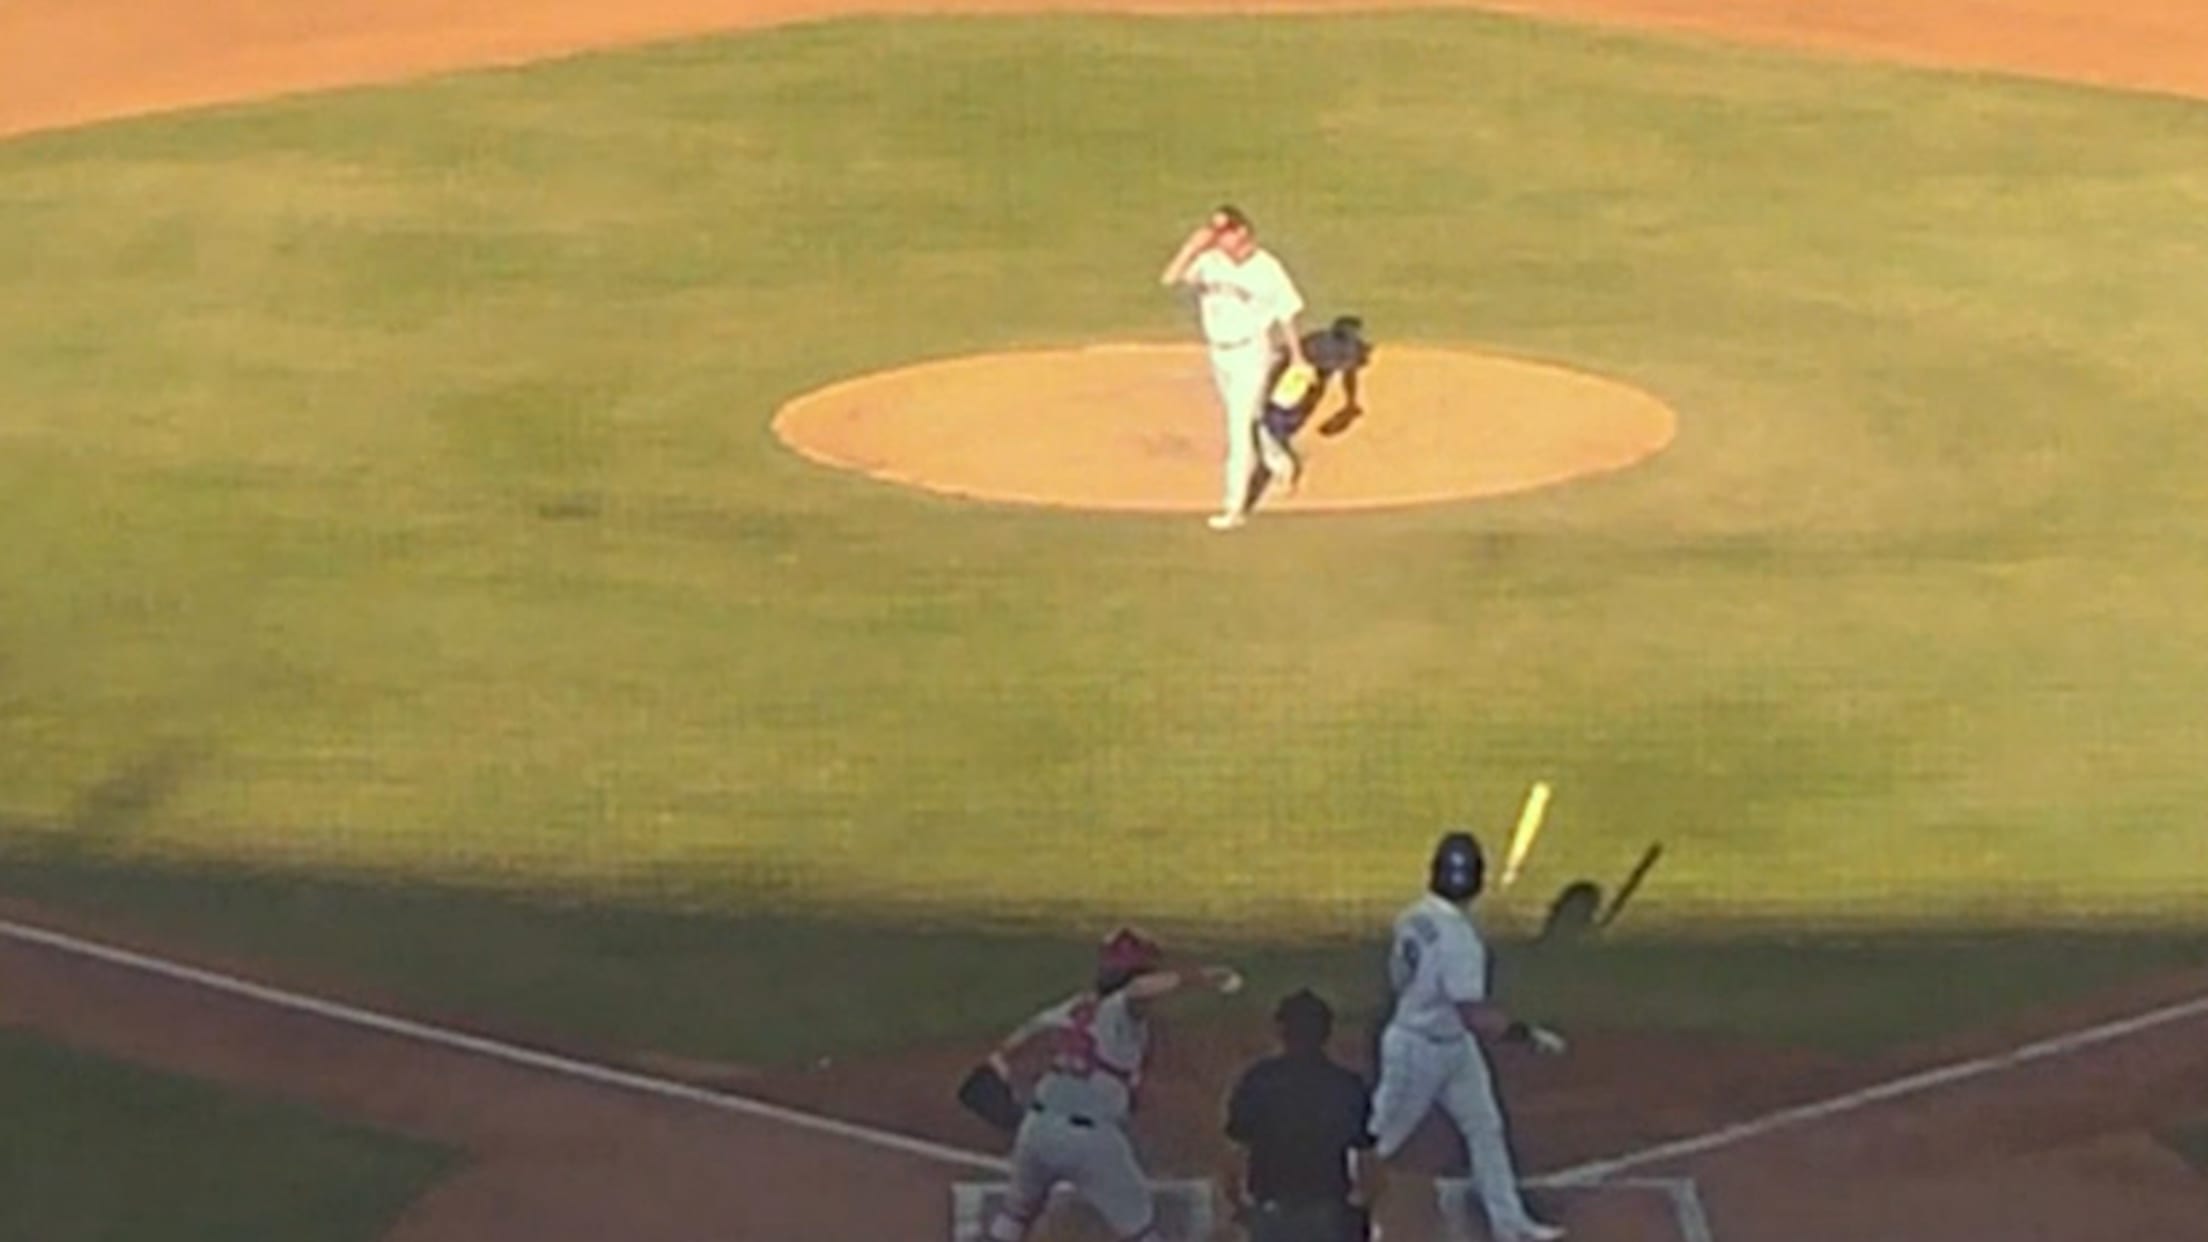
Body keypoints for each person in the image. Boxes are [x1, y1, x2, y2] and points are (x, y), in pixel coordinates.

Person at [1367, 833, 1571, 1242]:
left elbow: (1399, 978)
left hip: (1451, 1045)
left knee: (1485, 1129)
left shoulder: (1411, 917)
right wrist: (1529, 1036)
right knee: (1378, 1138)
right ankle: (1337, 1213)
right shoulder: (1460, 940)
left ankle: (1510, 1224)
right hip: (1419, 1051)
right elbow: (1476, 1015)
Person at [982, 928, 1246, 1242]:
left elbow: (1007, 1052)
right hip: (1090, 1143)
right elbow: (1137, 992)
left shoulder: (1068, 1009)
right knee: (1141, 1230)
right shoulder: (1121, 1008)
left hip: (1035, 1131)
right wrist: (1203, 977)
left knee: (1013, 1220)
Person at [1159, 205, 1309, 531]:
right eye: (1215, 232)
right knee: (1252, 417)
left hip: (1251, 354)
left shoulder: (1267, 268)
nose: (1219, 239)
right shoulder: (1208, 261)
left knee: (1237, 429)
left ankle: (1233, 508)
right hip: (1219, 354)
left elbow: (1286, 313)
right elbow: (1169, 279)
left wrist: (1297, 357)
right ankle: (1281, 464)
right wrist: (1191, 246)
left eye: (1224, 232)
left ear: (1242, 232)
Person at [1220, 989, 1383, 1242]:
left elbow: (1233, 1154)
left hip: (1272, 1213)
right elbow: (1370, 1164)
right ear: (1326, 1032)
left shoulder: (1258, 1080)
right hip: (1329, 1216)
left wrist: (1241, 1206)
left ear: (1281, 1031)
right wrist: (1361, 1212)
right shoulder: (1347, 1085)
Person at [1260, 315, 1375, 471]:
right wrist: (1350, 400)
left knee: (1299, 408)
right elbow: (1289, 358)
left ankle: (1279, 437)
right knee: (1285, 410)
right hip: (1299, 373)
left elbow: (1349, 374)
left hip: (1308, 373)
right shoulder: (1328, 346)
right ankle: (1275, 442)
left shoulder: (1336, 346)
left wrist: (1351, 401)